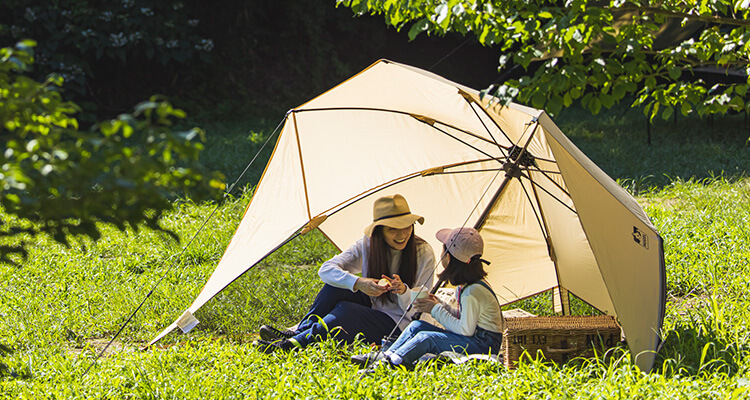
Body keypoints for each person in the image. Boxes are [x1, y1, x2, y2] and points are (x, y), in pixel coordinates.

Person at [255, 194, 435, 352]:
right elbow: (326, 270)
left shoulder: (422, 253)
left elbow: (419, 310)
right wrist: (359, 283)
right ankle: (299, 332)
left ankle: (292, 344)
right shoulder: (369, 244)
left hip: (400, 323)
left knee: (347, 311)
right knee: (336, 288)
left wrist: (403, 291)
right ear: (379, 232)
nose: (402, 234)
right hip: (375, 306)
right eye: (393, 229)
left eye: (407, 226)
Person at [360, 227, 504, 370]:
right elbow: (466, 319)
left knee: (427, 338)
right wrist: (440, 304)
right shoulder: (469, 286)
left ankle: (393, 363)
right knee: (417, 326)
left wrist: (434, 309)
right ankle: (385, 355)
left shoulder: (472, 292)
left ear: (448, 257)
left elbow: (465, 330)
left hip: (484, 345)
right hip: (476, 338)